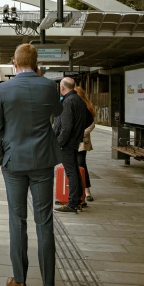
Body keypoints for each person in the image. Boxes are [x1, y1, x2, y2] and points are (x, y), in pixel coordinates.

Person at [0, 44, 63, 286]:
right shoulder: (48, 86)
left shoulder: (2, 89)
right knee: (44, 222)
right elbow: (58, 113)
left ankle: (19, 282)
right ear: (36, 64)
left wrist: (0, 158)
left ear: (14, 63)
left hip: (13, 163)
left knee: (16, 221)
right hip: (43, 161)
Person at [53, 77, 88, 213]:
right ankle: (78, 200)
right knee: (74, 169)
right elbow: (89, 118)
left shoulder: (67, 102)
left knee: (71, 171)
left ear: (62, 88)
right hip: (75, 141)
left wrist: (60, 143)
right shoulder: (80, 100)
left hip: (67, 143)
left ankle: (72, 203)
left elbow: (66, 127)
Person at [75, 86, 96, 203]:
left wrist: (83, 133)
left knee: (81, 164)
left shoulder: (87, 107)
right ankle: (79, 190)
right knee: (76, 165)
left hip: (82, 141)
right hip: (73, 141)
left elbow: (92, 124)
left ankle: (87, 191)